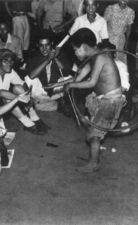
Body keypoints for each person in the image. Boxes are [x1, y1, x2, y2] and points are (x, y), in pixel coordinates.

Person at [47, 28, 126, 173]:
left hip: (111, 102)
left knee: (94, 134)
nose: (76, 54)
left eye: (76, 50)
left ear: (84, 47)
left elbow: (91, 83)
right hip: (103, 100)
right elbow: (77, 78)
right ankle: (94, 157)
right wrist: (58, 85)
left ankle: (94, 163)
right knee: (92, 130)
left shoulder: (101, 58)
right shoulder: (93, 59)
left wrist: (70, 85)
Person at [0, 48, 49, 135]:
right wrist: (22, 99)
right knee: (7, 98)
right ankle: (27, 123)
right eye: (5, 61)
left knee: (18, 88)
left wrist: (28, 96)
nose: (9, 64)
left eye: (11, 61)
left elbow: (22, 84)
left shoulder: (9, 71)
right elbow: (1, 93)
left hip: (7, 107)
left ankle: (34, 117)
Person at [25, 30, 74, 115]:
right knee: (27, 79)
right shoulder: (34, 56)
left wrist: (55, 58)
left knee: (70, 79)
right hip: (39, 92)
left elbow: (66, 74)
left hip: (55, 92)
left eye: (47, 45)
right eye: (41, 46)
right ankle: (49, 103)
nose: (44, 49)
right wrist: (47, 60)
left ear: (52, 44)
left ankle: (56, 103)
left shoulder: (60, 54)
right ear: (37, 45)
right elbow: (31, 76)